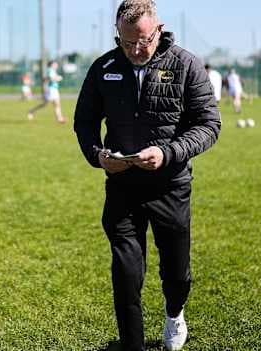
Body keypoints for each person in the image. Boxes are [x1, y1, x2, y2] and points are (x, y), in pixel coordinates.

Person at [73, 1, 221, 350]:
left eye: (143, 40)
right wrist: (98, 155)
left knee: (176, 274)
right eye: (126, 42)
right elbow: (84, 122)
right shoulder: (103, 67)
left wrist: (167, 153)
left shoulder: (186, 65)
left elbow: (209, 125)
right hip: (123, 187)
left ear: (159, 29)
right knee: (126, 275)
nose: (136, 49)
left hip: (170, 186)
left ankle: (174, 312)